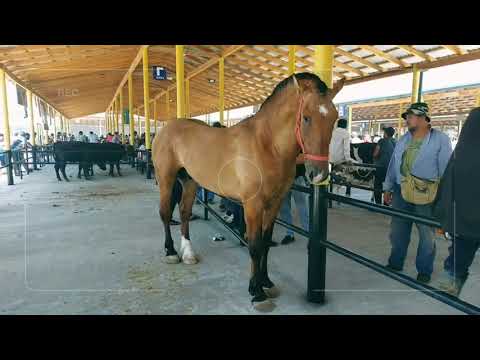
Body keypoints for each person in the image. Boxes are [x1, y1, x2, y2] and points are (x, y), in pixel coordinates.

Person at [383, 102, 452, 283]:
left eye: (410, 116)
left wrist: (444, 198)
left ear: (423, 118)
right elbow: (393, 165)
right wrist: (388, 187)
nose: (407, 120)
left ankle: (424, 270)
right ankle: (396, 262)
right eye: (406, 117)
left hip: (427, 194)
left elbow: (446, 170)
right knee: (397, 231)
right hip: (400, 191)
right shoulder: (404, 139)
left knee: (426, 234)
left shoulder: (440, 139)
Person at [433, 107, 480, 296]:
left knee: (459, 256)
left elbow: (447, 183)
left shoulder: (460, 154)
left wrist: (443, 213)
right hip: (465, 219)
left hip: (462, 222)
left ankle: (453, 279)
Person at [278, 154, 309, 245]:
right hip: (282, 178)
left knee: (302, 207)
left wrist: (285, 160)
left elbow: (304, 158)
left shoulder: (299, 141)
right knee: (284, 208)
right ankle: (289, 234)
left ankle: (309, 235)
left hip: (297, 177)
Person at [329, 118, 354, 198]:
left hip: (329, 158)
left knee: (331, 177)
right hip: (339, 159)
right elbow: (346, 148)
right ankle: (343, 192)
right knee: (347, 174)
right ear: (345, 125)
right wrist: (348, 159)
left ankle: (332, 193)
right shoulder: (346, 133)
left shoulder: (332, 132)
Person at [372, 127, 396, 205]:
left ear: (385, 133)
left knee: (378, 185)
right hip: (392, 168)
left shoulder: (382, 141)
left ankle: (378, 204)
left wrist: (375, 157)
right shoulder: (396, 141)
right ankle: (386, 204)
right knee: (388, 186)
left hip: (381, 166)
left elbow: (376, 153)